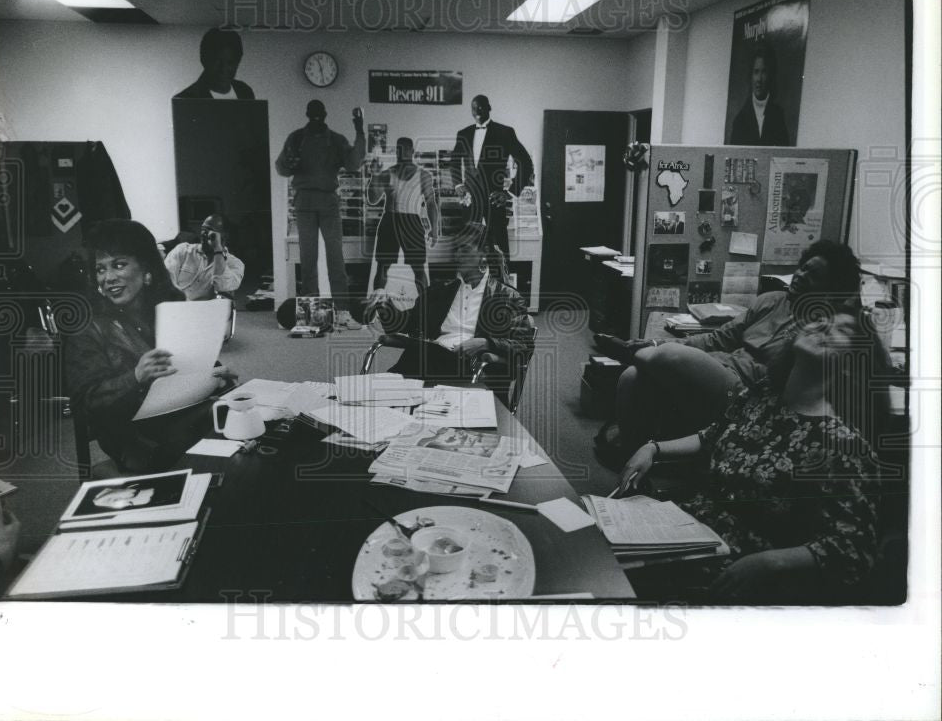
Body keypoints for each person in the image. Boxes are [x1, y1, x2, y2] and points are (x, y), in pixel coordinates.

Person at [616, 311, 880, 602]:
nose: (825, 328)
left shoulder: (844, 444)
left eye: (842, 330)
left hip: (739, 569)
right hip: (690, 530)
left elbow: (853, 550)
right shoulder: (764, 394)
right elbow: (714, 435)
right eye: (822, 320)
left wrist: (771, 562)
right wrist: (653, 448)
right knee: (592, 543)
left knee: (608, 582)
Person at [596, 240, 863, 458]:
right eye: (803, 268)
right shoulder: (770, 301)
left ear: (829, 289)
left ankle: (634, 353)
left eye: (813, 274)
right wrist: (655, 342)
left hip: (745, 391)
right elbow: (716, 340)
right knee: (632, 376)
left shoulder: (820, 330)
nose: (801, 275)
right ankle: (633, 454)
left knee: (668, 357)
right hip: (717, 366)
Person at [66, 219, 235, 473]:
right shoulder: (88, 328)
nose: (108, 278)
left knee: (241, 415)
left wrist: (216, 374)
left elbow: (190, 362)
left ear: (146, 270)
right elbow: (86, 404)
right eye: (100, 269)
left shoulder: (167, 309)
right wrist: (136, 377)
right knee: (220, 444)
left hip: (180, 413)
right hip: (133, 437)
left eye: (119, 265)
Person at [374, 222, 534, 391]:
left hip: (472, 368)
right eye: (455, 250)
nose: (457, 255)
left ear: (484, 253)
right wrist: (384, 305)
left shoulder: (507, 297)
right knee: (389, 390)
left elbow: (523, 346)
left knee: (398, 388)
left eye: (464, 250)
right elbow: (405, 324)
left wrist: (486, 343)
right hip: (429, 361)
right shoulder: (441, 290)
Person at [276, 100, 365, 329]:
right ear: (307, 114)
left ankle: (343, 311)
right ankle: (313, 314)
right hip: (304, 200)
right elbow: (281, 168)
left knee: (336, 257)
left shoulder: (336, 140)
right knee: (308, 258)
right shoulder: (296, 138)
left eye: (319, 114)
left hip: (328, 200)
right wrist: (289, 161)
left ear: (325, 115)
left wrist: (359, 130)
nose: (316, 118)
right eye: (312, 114)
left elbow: (354, 164)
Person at [450, 94, 534, 256]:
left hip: (494, 201)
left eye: (481, 106)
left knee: (499, 251)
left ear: (489, 107)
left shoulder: (505, 132)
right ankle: (470, 282)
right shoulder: (464, 134)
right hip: (470, 202)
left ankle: (501, 281)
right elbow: (454, 162)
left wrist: (509, 193)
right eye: (474, 108)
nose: (477, 110)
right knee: (468, 251)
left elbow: (525, 162)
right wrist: (458, 184)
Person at [367, 136, 440, 307]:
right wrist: (375, 175)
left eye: (406, 149)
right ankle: (376, 307)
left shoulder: (424, 175)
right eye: (399, 149)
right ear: (396, 152)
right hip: (390, 220)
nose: (402, 153)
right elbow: (372, 199)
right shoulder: (387, 173)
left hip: (412, 221)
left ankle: (427, 308)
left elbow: (431, 203)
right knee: (383, 267)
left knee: (418, 268)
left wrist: (435, 229)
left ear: (412, 152)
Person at [164, 213, 245, 300]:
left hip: (206, 310)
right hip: (177, 306)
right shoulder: (182, 251)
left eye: (210, 230)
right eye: (203, 229)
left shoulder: (235, 264)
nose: (203, 233)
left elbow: (222, 286)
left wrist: (217, 249)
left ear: (224, 236)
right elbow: (165, 280)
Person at [728, 43, 790, 146]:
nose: (759, 79)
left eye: (764, 72)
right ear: (751, 76)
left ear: (770, 75)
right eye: (756, 72)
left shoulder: (778, 116)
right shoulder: (740, 120)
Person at [174, 28, 255, 99]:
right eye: (217, 61)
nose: (223, 69)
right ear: (203, 60)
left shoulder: (245, 91)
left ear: (238, 63)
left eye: (230, 63)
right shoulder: (186, 99)